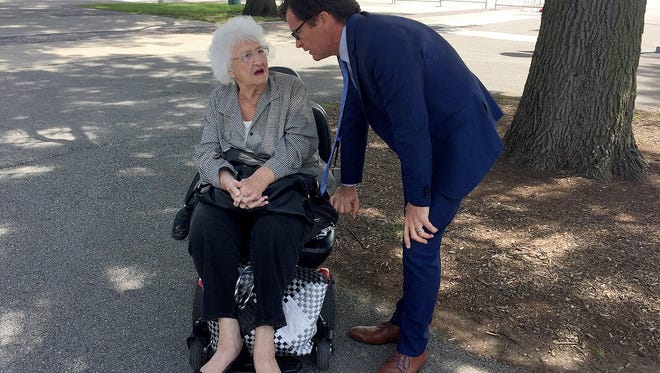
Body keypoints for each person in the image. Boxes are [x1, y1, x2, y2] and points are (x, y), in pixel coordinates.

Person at [279, 1, 504, 372]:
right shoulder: (355, 42)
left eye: (297, 32)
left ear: (322, 19)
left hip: (458, 143)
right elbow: (353, 112)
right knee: (414, 240)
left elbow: (412, 127)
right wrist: (348, 182)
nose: (298, 44)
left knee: (420, 241)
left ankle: (413, 349)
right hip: (435, 142)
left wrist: (419, 199)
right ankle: (403, 323)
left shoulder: (382, 44)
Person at [187, 16, 332, 373]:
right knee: (205, 224)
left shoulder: (290, 90)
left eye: (261, 51)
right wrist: (228, 181)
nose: (259, 60)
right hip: (233, 188)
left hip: (284, 184)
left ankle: (265, 342)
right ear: (229, 69)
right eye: (247, 56)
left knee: (273, 231)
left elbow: (301, 142)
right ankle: (228, 335)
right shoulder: (219, 100)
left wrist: (260, 179)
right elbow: (205, 151)